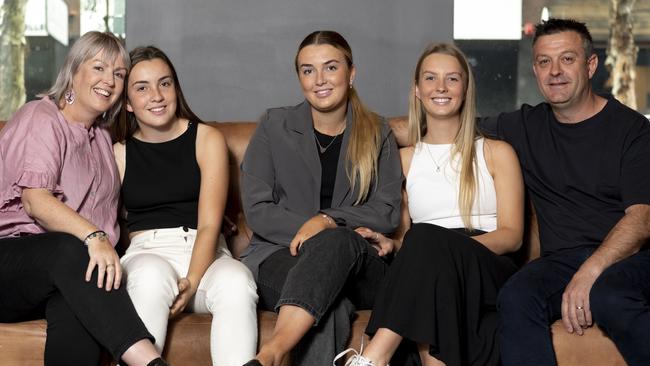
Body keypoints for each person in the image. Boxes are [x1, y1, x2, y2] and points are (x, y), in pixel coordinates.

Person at [338, 43, 524, 366]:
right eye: (430, 78)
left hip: (488, 265)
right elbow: (405, 235)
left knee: (426, 241)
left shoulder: (497, 152)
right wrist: (392, 243)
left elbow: (512, 235)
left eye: (452, 79)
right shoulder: (404, 160)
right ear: (417, 90)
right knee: (424, 247)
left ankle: (372, 358)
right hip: (430, 265)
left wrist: (450, 251)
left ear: (465, 89)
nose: (440, 87)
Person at [480, 18, 650, 366]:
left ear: (590, 65)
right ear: (535, 69)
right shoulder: (523, 126)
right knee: (516, 296)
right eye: (544, 61)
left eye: (567, 59)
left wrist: (590, 272)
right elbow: (445, 122)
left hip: (633, 257)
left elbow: (642, 219)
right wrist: (366, 125)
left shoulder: (633, 130)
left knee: (610, 295)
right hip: (560, 261)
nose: (555, 71)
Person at [0, 31, 167, 366]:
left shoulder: (103, 140)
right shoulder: (42, 117)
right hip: (11, 264)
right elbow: (35, 201)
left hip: (65, 272)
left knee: (81, 298)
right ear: (74, 71)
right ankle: (149, 362)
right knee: (74, 250)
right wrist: (95, 236)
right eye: (99, 68)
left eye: (119, 74)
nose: (110, 80)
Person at [239, 30, 403, 366]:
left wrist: (327, 220)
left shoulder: (378, 131)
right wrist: (318, 230)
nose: (319, 80)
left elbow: (386, 210)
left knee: (337, 239)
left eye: (330, 67)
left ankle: (273, 351)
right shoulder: (275, 125)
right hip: (280, 255)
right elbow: (258, 210)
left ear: (351, 73)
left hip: (359, 267)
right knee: (332, 309)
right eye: (307, 70)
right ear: (298, 76)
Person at [112, 46, 259, 366]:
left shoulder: (207, 139)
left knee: (238, 282)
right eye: (142, 87)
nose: (156, 95)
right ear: (127, 103)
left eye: (165, 83)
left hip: (206, 252)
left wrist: (192, 280)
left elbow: (209, 224)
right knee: (150, 277)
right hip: (147, 252)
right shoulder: (119, 152)